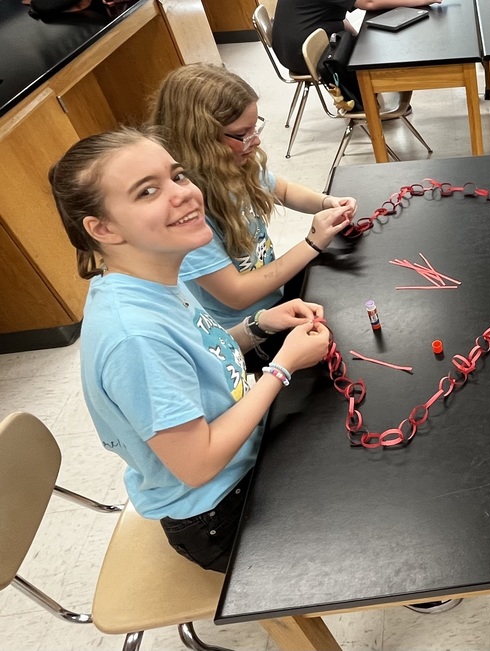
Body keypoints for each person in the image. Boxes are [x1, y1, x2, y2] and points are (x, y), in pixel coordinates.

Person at [50, 127, 332, 573]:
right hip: (219, 510)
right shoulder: (134, 339)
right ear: (102, 228)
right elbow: (198, 464)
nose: (183, 194)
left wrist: (258, 325)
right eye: (147, 191)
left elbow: (204, 353)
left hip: (237, 461)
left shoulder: (152, 273)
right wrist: (282, 366)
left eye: (177, 176)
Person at [151, 64, 356, 333]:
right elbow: (237, 295)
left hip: (274, 296)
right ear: (202, 137)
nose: (255, 141)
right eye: (242, 134)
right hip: (247, 328)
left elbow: (281, 190)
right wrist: (312, 242)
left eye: (254, 128)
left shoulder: (233, 164)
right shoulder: (185, 213)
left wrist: (325, 202)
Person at [271, 0, 442, 75]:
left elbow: (331, 14)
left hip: (290, 44)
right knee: (371, 49)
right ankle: (367, 99)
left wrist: (356, 36)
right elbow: (369, 2)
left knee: (366, 41)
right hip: (303, 52)